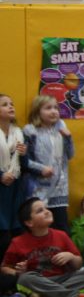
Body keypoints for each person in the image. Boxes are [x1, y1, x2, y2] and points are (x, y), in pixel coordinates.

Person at [1, 197, 84, 297]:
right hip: (37, 281)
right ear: (29, 222)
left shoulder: (61, 235)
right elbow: (4, 267)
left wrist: (70, 256)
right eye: (40, 211)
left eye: (46, 208)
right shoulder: (17, 242)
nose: (47, 211)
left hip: (60, 279)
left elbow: (78, 264)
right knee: (25, 279)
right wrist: (17, 272)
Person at [23, 95, 74, 233]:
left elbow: (70, 155)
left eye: (56, 108)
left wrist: (68, 138)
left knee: (61, 227)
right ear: (37, 111)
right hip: (38, 187)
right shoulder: (30, 131)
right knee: (39, 225)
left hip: (59, 187)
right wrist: (41, 169)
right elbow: (24, 160)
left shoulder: (61, 128)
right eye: (48, 108)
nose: (53, 111)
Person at [0, 93, 28, 258]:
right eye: (5, 104)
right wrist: (1, 175)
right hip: (1, 189)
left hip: (15, 190)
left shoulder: (19, 133)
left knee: (16, 235)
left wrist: (23, 155)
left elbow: (25, 166)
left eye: (11, 104)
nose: (10, 107)